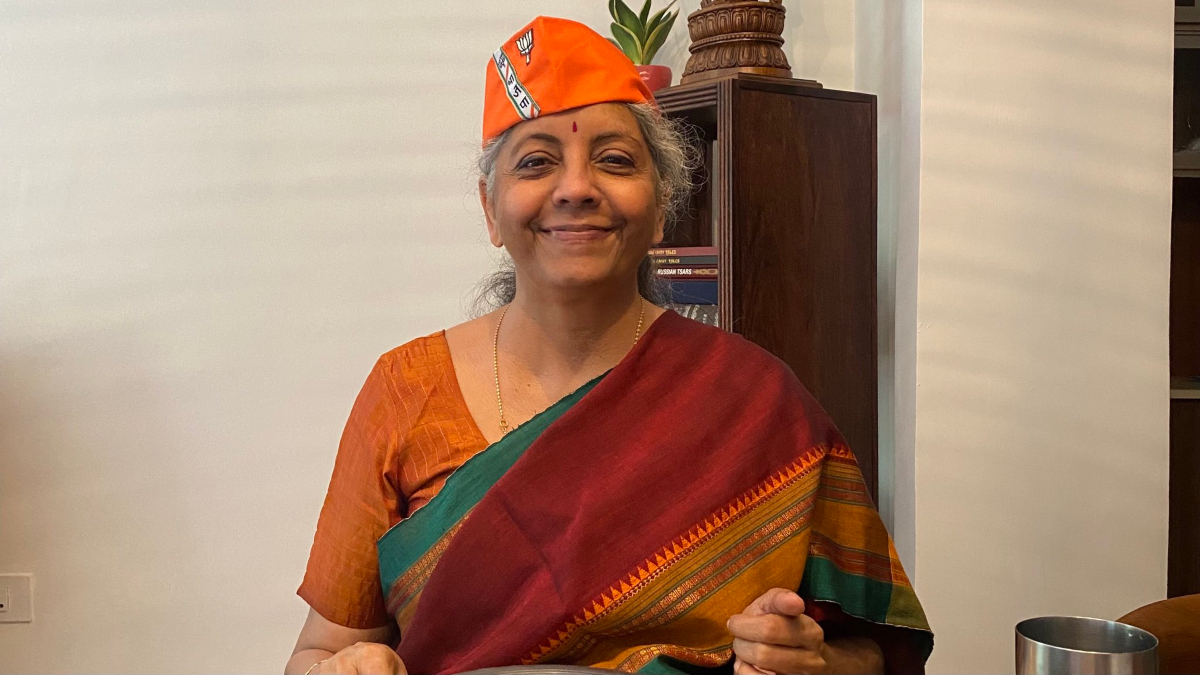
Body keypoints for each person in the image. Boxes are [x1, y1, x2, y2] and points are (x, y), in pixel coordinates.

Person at [286, 16, 933, 675]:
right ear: (490, 209)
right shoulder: (406, 389)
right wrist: (347, 665)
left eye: (615, 160)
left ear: (662, 206)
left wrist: (813, 660)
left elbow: (880, 652)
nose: (576, 188)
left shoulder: (757, 400)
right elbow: (318, 650)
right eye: (536, 162)